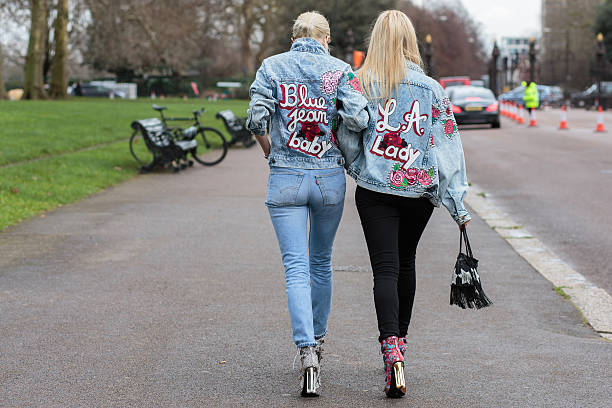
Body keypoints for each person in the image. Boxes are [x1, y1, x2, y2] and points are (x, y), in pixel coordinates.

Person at [336, 10, 471, 398]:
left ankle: (389, 346)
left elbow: (348, 131)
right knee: (406, 263)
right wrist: (458, 206)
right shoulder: (431, 89)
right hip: (418, 193)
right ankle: (403, 348)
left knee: (385, 268)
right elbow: (448, 149)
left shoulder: (360, 83)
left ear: (375, 40)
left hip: (375, 189)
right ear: (411, 41)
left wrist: (356, 161)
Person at [246, 11, 368, 397]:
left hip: (286, 176)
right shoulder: (338, 71)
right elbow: (359, 117)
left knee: (295, 267)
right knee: (321, 263)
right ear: (327, 38)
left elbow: (256, 119)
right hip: (329, 177)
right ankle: (319, 340)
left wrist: (272, 153)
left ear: (294, 36)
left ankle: (306, 353)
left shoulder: (272, 66)